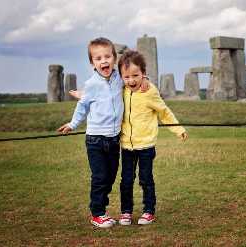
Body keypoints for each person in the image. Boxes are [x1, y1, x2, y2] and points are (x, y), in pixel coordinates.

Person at [57, 37, 149, 228]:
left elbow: (132, 76)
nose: (104, 61)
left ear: (115, 59)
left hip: (114, 139)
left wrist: (145, 79)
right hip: (95, 140)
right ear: (92, 63)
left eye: (107, 56)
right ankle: (97, 213)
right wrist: (73, 124)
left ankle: (102, 210)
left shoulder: (118, 78)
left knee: (111, 176)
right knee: (99, 177)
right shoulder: (91, 84)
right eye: (98, 58)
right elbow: (83, 106)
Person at [117, 50, 188, 226]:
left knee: (145, 179)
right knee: (126, 180)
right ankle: (126, 211)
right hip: (126, 145)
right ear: (120, 76)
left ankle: (149, 211)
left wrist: (178, 129)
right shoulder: (120, 90)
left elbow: (164, 112)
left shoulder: (150, 92)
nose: (131, 80)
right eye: (126, 77)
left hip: (146, 146)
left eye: (136, 75)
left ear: (143, 74)